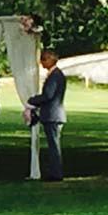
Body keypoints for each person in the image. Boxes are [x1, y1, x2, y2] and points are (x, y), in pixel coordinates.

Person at [28, 49, 67, 182]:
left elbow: (48, 95)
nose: (42, 62)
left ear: (51, 59)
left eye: (44, 59)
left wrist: (32, 100)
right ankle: (54, 171)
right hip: (51, 115)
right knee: (53, 145)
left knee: (54, 145)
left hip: (53, 115)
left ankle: (56, 173)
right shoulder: (55, 75)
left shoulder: (55, 76)